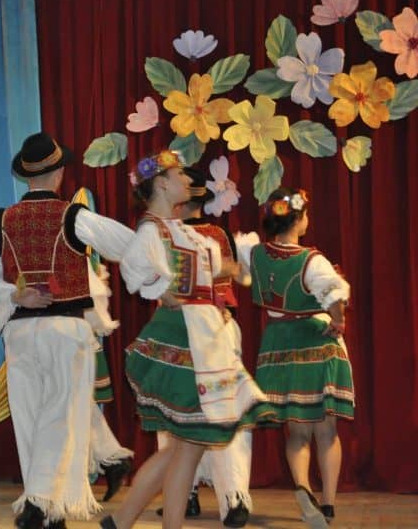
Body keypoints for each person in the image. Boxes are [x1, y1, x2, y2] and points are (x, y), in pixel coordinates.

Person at [0, 132, 135, 529]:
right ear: (59, 173)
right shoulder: (74, 216)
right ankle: (40, 502)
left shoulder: (3, 220)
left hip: (21, 332)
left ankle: (46, 509)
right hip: (65, 328)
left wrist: (16, 295)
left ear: (27, 176)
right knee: (62, 414)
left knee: (30, 417)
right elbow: (126, 244)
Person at [100, 150, 273, 529]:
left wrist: (234, 266)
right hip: (185, 339)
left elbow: (208, 267)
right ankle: (130, 521)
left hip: (203, 337)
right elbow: (134, 267)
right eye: (180, 175)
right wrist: (162, 290)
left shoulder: (177, 228)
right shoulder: (152, 230)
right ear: (162, 183)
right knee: (187, 444)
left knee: (184, 447)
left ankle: (122, 521)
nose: (187, 181)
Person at [154, 165, 254, 527]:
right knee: (224, 407)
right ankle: (233, 496)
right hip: (217, 326)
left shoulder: (162, 234)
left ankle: (185, 494)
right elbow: (239, 277)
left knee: (174, 410)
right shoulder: (218, 234)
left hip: (178, 329)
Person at [246, 188, 352, 529]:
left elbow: (232, 268)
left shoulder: (254, 253)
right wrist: (339, 320)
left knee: (296, 429)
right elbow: (333, 294)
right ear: (298, 219)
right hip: (315, 341)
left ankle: (303, 486)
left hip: (278, 346)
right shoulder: (312, 260)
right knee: (327, 430)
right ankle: (328, 504)